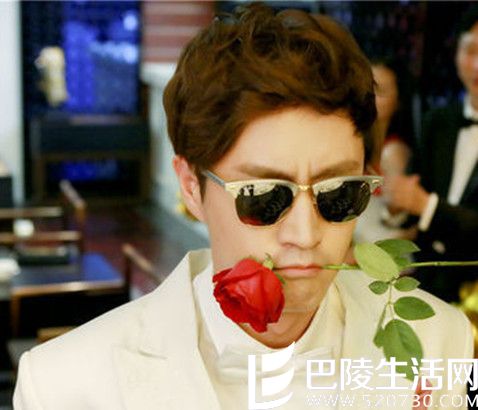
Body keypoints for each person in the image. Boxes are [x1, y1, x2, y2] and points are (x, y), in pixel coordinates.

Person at [13, 4, 472, 409]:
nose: (305, 234)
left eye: (338, 192)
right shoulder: (64, 387)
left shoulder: (439, 341)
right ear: (191, 186)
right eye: (265, 195)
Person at [385, 7, 478, 302]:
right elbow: (413, 194)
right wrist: (398, 205)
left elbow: (423, 202)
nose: (477, 65)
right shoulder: (437, 121)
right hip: (424, 287)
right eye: (471, 51)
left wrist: (426, 205)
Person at [354, 58, 416, 245]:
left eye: (380, 91)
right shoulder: (353, 143)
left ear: (398, 101)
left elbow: (400, 222)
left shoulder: (394, 152)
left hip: (378, 251)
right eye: (367, 88)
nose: (370, 97)